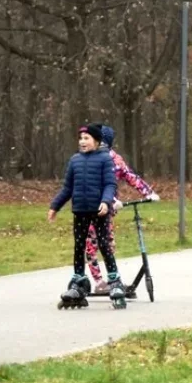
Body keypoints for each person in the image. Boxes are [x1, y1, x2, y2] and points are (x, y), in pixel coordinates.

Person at [48, 124, 125, 309]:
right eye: (81, 138)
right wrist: (55, 206)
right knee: (79, 245)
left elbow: (110, 184)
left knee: (104, 244)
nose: (82, 141)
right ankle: (78, 280)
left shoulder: (105, 159)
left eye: (86, 138)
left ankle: (114, 280)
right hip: (80, 210)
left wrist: (106, 202)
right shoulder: (74, 160)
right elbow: (67, 188)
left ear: (96, 141)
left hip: (99, 210)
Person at [83, 125, 159, 294]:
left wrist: (148, 192)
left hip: (107, 211)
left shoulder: (115, 159)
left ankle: (112, 279)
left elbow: (130, 176)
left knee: (108, 243)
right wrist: (112, 199)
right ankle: (99, 282)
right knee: (92, 244)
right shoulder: (89, 159)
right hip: (89, 208)